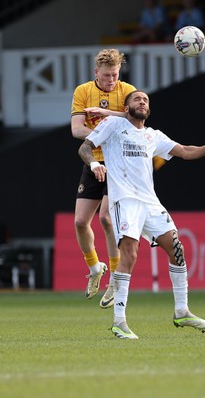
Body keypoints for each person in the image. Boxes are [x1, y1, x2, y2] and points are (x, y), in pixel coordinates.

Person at [78, 90, 205, 339]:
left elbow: (184, 150)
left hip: (150, 203)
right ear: (126, 107)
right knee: (129, 254)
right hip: (125, 201)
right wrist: (95, 163)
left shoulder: (153, 135)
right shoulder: (113, 124)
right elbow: (85, 148)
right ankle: (119, 322)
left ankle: (182, 311)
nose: (142, 101)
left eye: (146, 100)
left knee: (176, 248)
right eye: (136, 99)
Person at [71, 49, 136, 309]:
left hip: (119, 162)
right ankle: (95, 267)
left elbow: (137, 120)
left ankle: (115, 279)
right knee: (79, 221)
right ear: (96, 73)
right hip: (93, 160)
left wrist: (107, 114)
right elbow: (76, 130)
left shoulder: (127, 90)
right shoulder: (83, 91)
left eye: (115, 75)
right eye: (107, 75)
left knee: (107, 218)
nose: (111, 80)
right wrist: (104, 131)